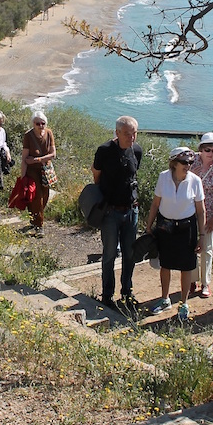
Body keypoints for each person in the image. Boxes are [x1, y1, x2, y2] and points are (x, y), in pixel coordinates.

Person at [146, 147, 206, 322]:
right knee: (165, 264)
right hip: (165, 226)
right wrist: (149, 226)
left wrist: (202, 236)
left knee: (186, 266)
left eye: (190, 162)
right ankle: (165, 299)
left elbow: (201, 211)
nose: (188, 166)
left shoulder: (195, 181)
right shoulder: (163, 177)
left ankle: (183, 303)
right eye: (184, 162)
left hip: (186, 228)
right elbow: (156, 204)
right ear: (174, 163)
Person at [92, 115, 143, 312]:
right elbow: (96, 174)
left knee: (130, 254)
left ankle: (127, 292)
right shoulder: (104, 151)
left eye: (134, 134)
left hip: (131, 211)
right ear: (117, 133)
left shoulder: (136, 151)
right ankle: (107, 295)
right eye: (127, 134)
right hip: (110, 212)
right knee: (109, 254)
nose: (132, 138)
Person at [189, 132, 213, 299]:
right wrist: (193, 176)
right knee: (189, 247)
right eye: (207, 149)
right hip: (189, 213)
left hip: (210, 213)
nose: (210, 154)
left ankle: (205, 283)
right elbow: (179, 183)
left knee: (207, 248)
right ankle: (191, 278)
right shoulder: (190, 161)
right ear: (201, 149)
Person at [21, 111, 56, 234]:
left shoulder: (49, 133)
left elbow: (53, 154)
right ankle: (39, 225)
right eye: (37, 123)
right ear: (33, 124)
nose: (41, 126)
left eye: (43, 123)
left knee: (45, 195)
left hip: (45, 170)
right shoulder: (28, 136)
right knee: (37, 197)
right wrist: (23, 175)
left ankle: (34, 216)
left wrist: (38, 159)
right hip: (32, 171)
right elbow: (25, 157)